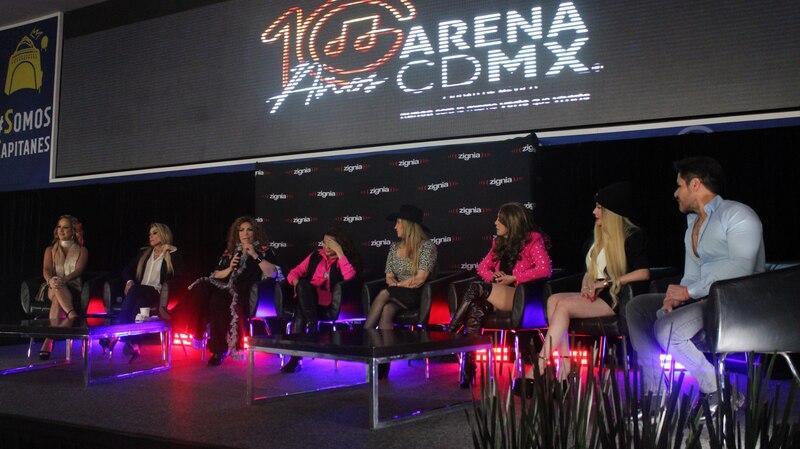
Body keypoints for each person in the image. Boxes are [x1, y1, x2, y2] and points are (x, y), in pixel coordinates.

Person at [626, 157, 764, 410]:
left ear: (696, 185)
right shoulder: (692, 227)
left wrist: (689, 291)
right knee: (638, 307)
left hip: (736, 304)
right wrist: (674, 297)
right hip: (704, 301)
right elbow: (691, 275)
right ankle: (656, 394)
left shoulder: (739, 215)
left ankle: (716, 390)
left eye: (680, 186)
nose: (675, 193)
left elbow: (740, 268)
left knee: (667, 329)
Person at [512, 183, 650, 395]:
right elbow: (591, 269)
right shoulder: (596, 237)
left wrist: (606, 283)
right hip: (596, 291)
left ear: (612, 212)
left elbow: (643, 273)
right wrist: (587, 282)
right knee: (553, 300)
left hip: (615, 295)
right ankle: (565, 371)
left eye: (599, 207)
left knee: (564, 305)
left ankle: (540, 367)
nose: (594, 212)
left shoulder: (633, 236)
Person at [447, 202, 552, 388]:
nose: (495, 223)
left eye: (499, 220)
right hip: (499, 294)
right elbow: (482, 267)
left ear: (510, 223)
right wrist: (493, 276)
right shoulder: (499, 242)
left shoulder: (533, 240)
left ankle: (451, 331)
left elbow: (545, 270)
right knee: (476, 309)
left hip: (520, 297)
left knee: (475, 288)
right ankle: (469, 370)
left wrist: (514, 277)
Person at [171, 216, 281, 366]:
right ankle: (178, 318)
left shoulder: (264, 250)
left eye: (249, 230)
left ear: (255, 232)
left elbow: (273, 273)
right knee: (202, 286)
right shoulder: (231, 251)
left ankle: (218, 349)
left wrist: (255, 255)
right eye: (241, 230)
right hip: (227, 286)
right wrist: (230, 267)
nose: (245, 233)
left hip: (248, 292)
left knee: (217, 298)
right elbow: (216, 274)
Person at [364, 204, 437, 378]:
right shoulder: (394, 247)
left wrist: (396, 286)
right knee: (387, 309)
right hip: (397, 293)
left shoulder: (427, 247)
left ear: (408, 225)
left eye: (398, 223)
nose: (395, 227)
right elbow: (389, 276)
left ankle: (364, 336)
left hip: (417, 294)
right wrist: (393, 284)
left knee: (384, 293)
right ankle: (384, 363)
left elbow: (420, 279)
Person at [280, 226, 361, 373]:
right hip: (309, 298)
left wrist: (339, 252)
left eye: (331, 243)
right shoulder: (315, 255)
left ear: (339, 244)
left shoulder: (346, 259)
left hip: (329, 301)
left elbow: (349, 278)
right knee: (303, 286)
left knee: (300, 312)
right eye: (324, 242)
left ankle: (295, 359)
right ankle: (312, 325)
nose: (326, 246)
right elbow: (294, 272)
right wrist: (296, 282)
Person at [100, 223, 180, 360]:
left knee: (136, 290)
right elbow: (126, 270)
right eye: (150, 234)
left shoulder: (171, 255)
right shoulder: (145, 253)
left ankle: (116, 334)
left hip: (156, 294)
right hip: (140, 294)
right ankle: (136, 345)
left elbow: (182, 273)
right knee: (139, 300)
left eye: (155, 233)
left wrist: (173, 249)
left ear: (164, 234)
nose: (151, 236)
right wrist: (129, 281)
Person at [39, 215, 88, 360]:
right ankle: (72, 314)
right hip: (51, 285)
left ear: (73, 231)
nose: (61, 230)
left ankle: (49, 339)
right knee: (56, 287)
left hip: (73, 286)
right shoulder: (50, 249)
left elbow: (78, 271)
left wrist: (64, 279)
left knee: (56, 299)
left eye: (65, 227)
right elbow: (46, 269)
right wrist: (50, 280)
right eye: (59, 227)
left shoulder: (82, 250)